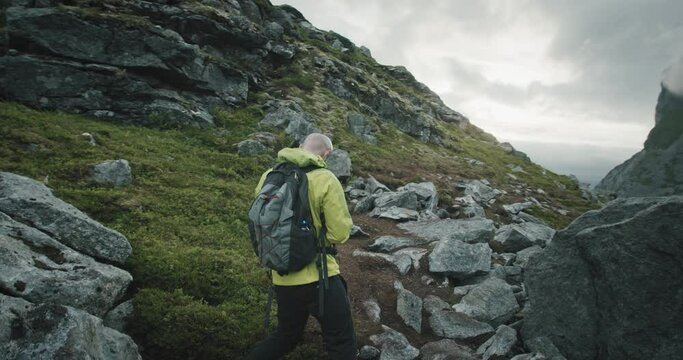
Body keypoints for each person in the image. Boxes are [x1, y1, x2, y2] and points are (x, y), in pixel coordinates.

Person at [246, 133, 357, 360]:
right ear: (327, 154)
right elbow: (340, 233)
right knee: (341, 341)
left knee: (286, 335)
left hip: (282, 275)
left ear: (299, 146)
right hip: (321, 277)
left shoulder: (270, 175)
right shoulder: (325, 178)